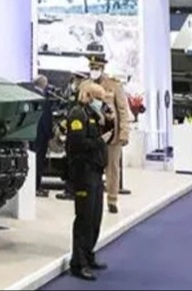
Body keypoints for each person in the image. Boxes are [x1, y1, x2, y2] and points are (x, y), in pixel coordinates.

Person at [64, 82, 112, 281]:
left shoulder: (93, 114)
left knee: (95, 218)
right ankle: (78, 263)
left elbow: (104, 133)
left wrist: (109, 121)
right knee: (84, 218)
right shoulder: (78, 114)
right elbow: (78, 144)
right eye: (99, 98)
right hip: (83, 172)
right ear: (89, 96)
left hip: (96, 171)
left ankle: (89, 255)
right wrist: (100, 141)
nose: (101, 102)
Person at [93, 58, 130, 214]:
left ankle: (112, 199)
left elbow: (122, 110)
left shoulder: (114, 84)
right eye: (92, 67)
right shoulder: (87, 85)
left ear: (102, 68)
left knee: (112, 168)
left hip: (112, 135)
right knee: (93, 168)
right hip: (93, 135)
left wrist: (124, 133)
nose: (94, 70)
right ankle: (94, 199)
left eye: (96, 67)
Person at [29, 75, 55, 197]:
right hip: (41, 135)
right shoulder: (42, 99)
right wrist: (50, 134)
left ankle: (34, 187)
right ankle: (36, 187)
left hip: (32, 134)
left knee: (34, 161)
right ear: (44, 84)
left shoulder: (31, 95)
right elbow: (45, 119)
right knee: (38, 162)